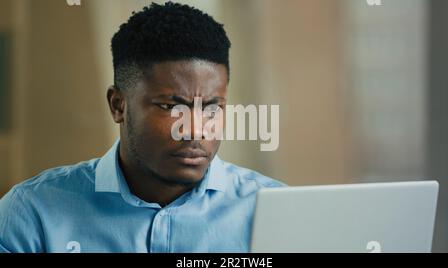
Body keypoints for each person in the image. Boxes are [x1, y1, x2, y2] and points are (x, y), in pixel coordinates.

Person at [0, 2, 284, 253]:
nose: (196, 130)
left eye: (212, 108)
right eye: (171, 107)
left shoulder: (275, 211)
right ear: (118, 105)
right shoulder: (32, 213)